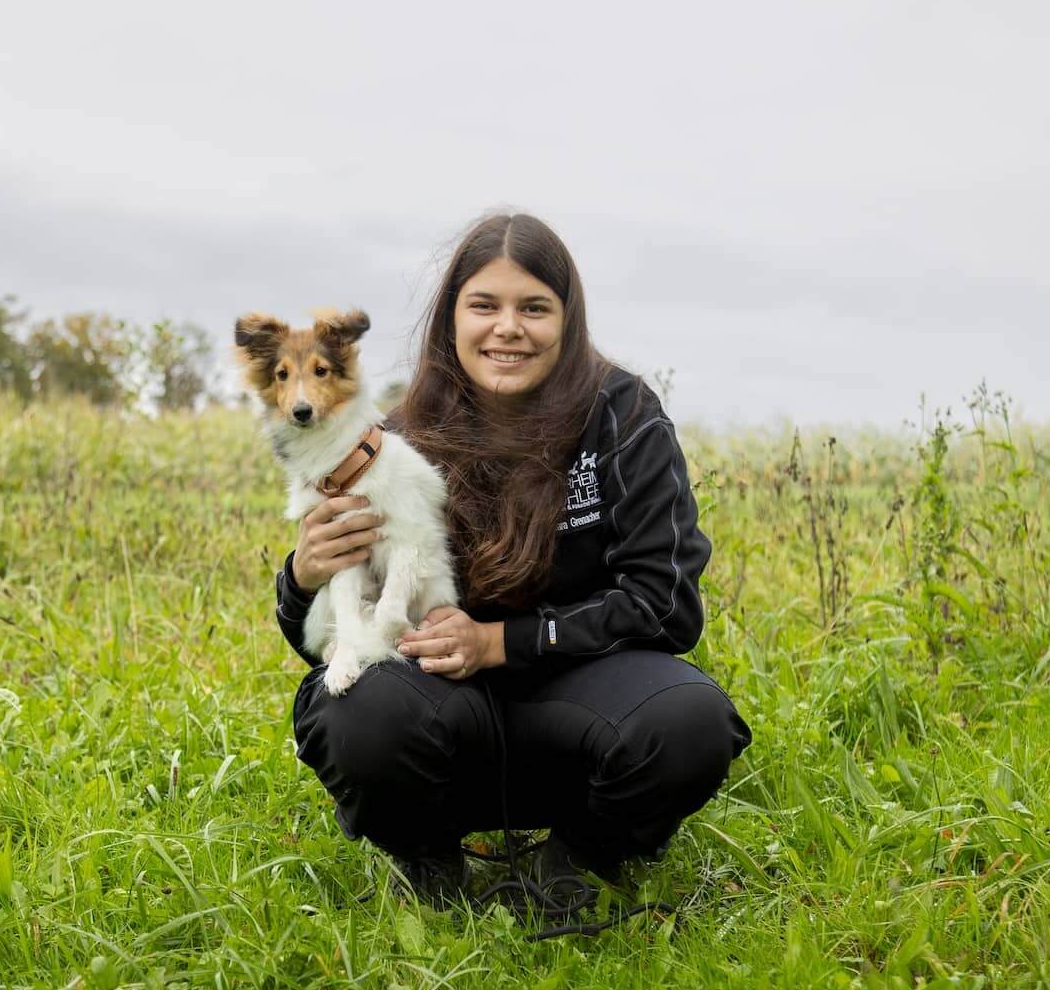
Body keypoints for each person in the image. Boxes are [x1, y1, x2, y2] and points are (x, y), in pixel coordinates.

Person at [272, 211, 752, 909]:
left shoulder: (624, 417)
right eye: (484, 306)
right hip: (439, 712)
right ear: (451, 320)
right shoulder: (392, 439)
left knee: (690, 720)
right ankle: (429, 861)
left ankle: (578, 856)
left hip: (582, 699)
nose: (508, 328)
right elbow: (323, 637)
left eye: (534, 307)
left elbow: (666, 604)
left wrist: (502, 642)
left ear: (568, 319)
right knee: (356, 712)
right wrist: (304, 575)